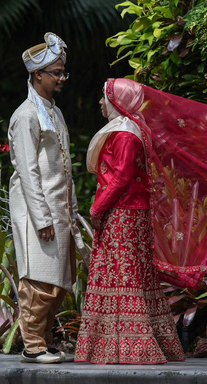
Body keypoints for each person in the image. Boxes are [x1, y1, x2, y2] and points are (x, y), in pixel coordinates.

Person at [74, 80, 185, 364]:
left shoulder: (125, 133)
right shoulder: (132, 129)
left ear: (118, 102)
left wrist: (97, 208)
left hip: (123, 211)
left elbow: (121, 178)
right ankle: (128, 345)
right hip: (130, 211)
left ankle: (130, 348)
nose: (101, 103)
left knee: (123, 276)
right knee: (130, 274)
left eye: (105, 98)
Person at [8, 32, 84, 364]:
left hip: (59, 207)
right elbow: (27, 170)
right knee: (40, 277)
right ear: (37, 74)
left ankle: (46, 340)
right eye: (56, 72)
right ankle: (33, 344)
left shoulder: (52, 111)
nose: (61, 78)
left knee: (60, 279)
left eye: (63, 72)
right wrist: (42, 218)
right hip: (38, 209)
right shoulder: (26, 114)